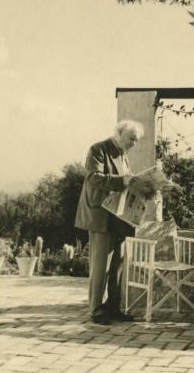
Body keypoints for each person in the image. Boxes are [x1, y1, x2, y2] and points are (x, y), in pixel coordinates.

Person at [76, 119, 144, 325]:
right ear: (119, 133)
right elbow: (94, 178)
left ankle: (113, 308)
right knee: (101, 266)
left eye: (136, 140)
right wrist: (121, 180)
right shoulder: (98, 149)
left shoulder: (123, 155)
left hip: (119, 217)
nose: (134, 144)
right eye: (132, 138)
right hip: (100, 215)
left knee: (118, 265)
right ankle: (96, 310)